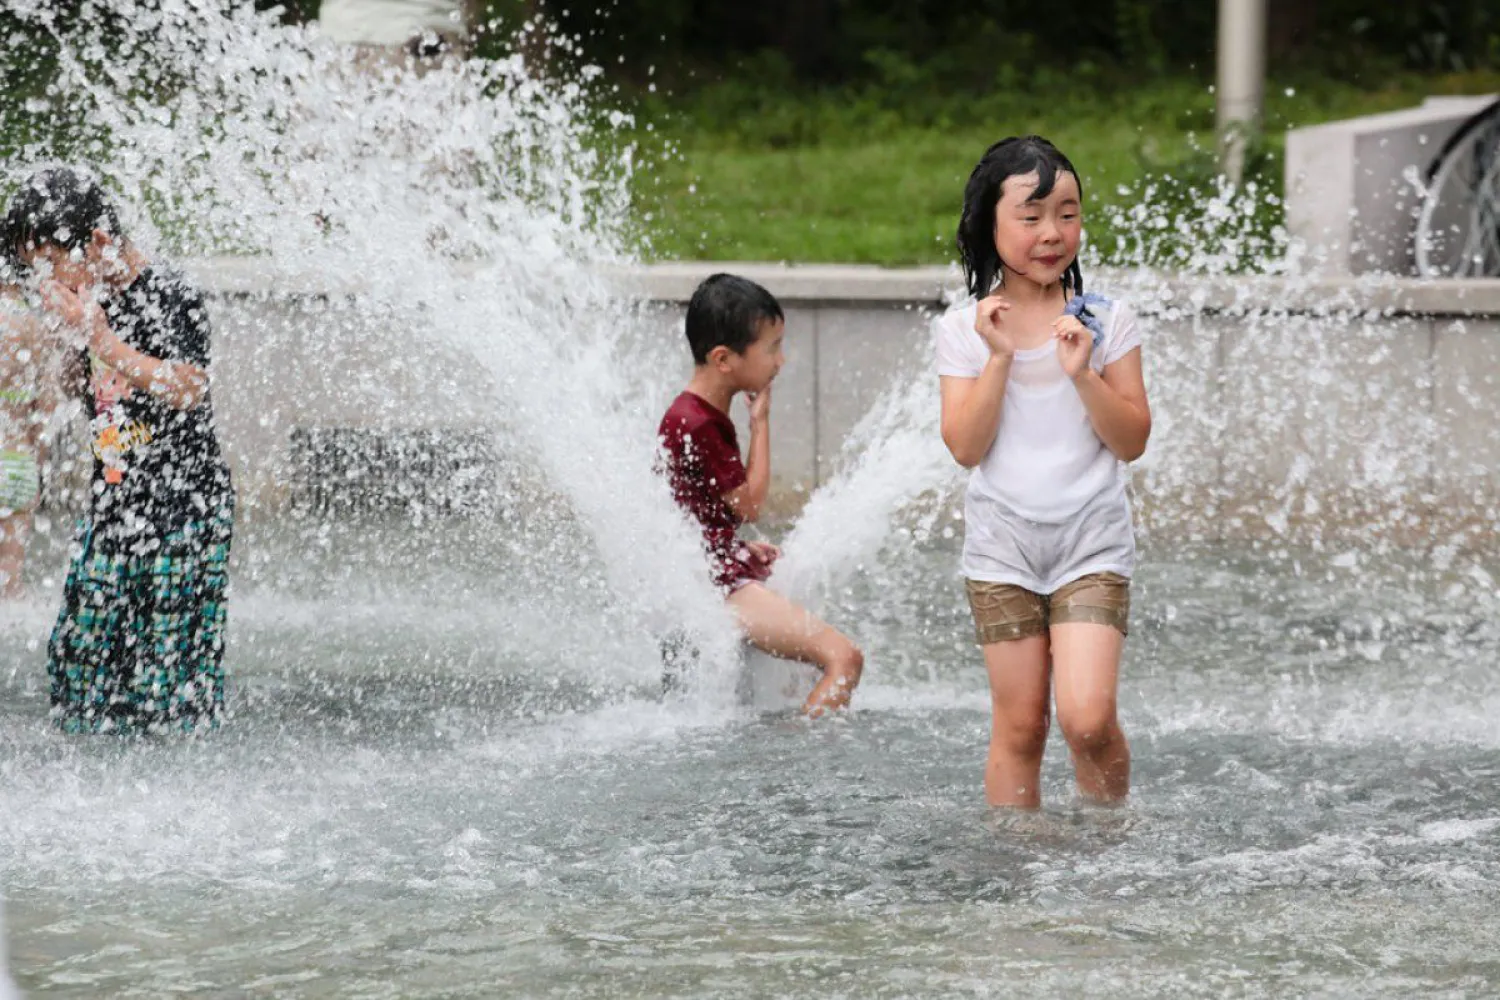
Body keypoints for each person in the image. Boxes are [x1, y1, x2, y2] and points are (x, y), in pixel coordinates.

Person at [936, 136, 1152, 808]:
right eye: (1031, 218)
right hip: (1003, 548)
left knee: (1086, 719)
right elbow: (966, 448)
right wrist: (998, 357)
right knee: (1022, 726)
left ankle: (1109, 847)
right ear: (990, 226)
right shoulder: (962, 329)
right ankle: (1016, 871)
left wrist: (1081, 371)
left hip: (1091, 542)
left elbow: (1133, 439)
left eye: (1067, 213)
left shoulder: (1105, 319)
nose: (1053, 234)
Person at [4, 167, 235, 734]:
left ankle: (179, 793)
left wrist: (101, 339)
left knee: (167, 680)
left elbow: (188, 386)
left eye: (50, 262)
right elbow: (84, 398)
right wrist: (68, 343)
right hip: (114, 508)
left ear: (100, 240)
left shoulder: (167, 292)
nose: (44, 278)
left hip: (183, 512)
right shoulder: (91, 300)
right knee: (78, 664)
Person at [657, 273, 863, 716]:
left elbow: (689, 509)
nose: (780, 360)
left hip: (714, 569)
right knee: (843, 659)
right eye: (771, 348)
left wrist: (737, 546)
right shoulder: (697, 421)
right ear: (723, 358)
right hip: (719, 586)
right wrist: (761, 423)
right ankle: (800, 770)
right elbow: (750, 503)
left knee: (792, 678)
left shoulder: (694, 413)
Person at [0, 268, 68, 598]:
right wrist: (39, 461)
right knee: (11, 571)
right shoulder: (33, 325)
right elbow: (48, 402)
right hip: (18, 461)